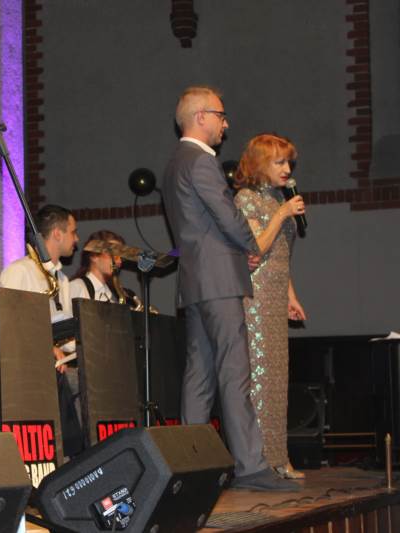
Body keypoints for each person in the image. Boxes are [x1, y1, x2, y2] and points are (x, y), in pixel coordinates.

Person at [161, 86, 298, 491]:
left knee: (199, 377)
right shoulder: (201, 161)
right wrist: (251, 248)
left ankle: (191, 466)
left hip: (196, 281)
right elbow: (226, 215)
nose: (226, 124)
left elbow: (200, 225)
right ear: (201, 117)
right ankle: (251, 467)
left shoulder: (174, 163)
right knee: (235, 373)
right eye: (221, 116)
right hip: (219, 281)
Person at [234, 133, 307, 479]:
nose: (287, 168)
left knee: (278, 378)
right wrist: (282, 214)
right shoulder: (245, 199)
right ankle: (260, 461)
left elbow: (282, 256)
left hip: (276, 295)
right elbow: (256, 249)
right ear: (260, 164)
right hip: (256, 295)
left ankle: (280, 456)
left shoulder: (280, 199)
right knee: (260, 380)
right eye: (279, 162)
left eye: (288, 161)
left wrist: (291, 296)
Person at [0, 204, 83, 455]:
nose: (77, 239)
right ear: (57, 233)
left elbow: (63, 331)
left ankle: (78, 454)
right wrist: (46, 347)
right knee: (73, 382)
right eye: (73, 232)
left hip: (54, 361)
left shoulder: (62, 279)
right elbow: (8, 323)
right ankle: (69, 453)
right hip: (26, 365)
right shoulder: (19, 271)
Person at [71, 229, 127, 303]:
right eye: (113, 254)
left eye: (120, 257)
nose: (119, 261)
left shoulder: (109, 297)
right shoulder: (77, 287)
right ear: (94, 256)